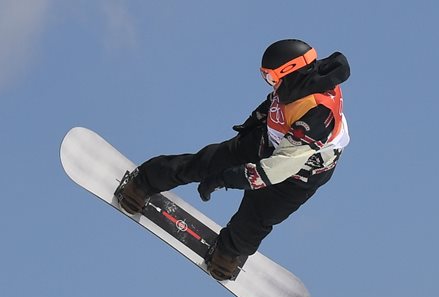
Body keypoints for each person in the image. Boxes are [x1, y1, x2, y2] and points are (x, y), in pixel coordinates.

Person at [118, 39, 350, 281]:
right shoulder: (298, 82)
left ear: (290, 71)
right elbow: (276, 102)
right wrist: (253, 121)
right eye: (266, 77)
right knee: (205, 162)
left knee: (256, 217)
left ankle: (227, 254)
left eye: (272, 78)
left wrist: (224, 179)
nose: (271, 83)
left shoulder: (317, 114)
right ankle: (143, 182)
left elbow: (276, 169)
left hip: (299, 175)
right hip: (268, 142)